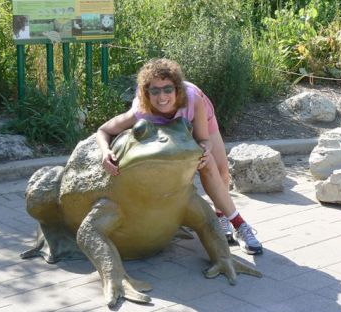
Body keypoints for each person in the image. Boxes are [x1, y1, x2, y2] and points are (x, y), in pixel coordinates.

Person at [96, 58, 262, 255]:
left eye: (167, 89)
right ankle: (238, 222)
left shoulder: (193, 100)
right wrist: (105, 151)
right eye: (154, 90)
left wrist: (204, 149)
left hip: (195, 120)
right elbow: (103, 130)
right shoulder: (141, 111)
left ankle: (224, 218)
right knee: (204, 166)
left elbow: (203, 139)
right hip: (165, 135)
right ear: (146, 93)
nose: (162, 96)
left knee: (220, 171)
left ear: (177, 89)